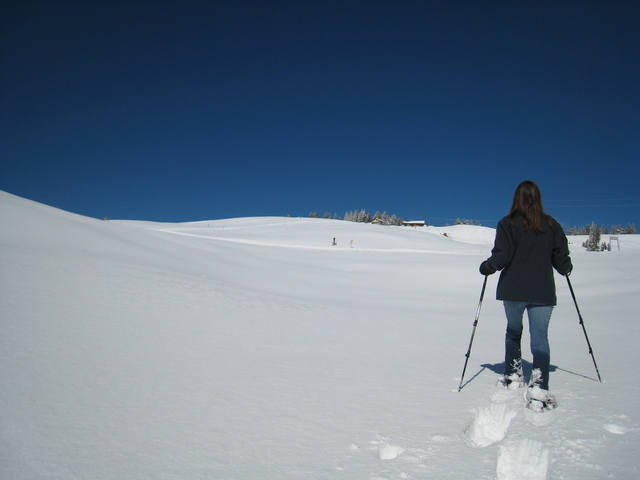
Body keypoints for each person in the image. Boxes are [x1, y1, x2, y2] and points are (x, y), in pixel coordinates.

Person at [479, 181, 572, 411]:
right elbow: (561, 259)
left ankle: (512, 376)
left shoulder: (507, 223)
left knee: (514, 331)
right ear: (538, 198)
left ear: (516, 198)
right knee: (540, 337)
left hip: (513, 290)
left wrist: (487, 266)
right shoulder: (551, 225)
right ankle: (539, 387)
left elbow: (502, 255)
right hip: (542, 291)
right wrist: (566, 267)